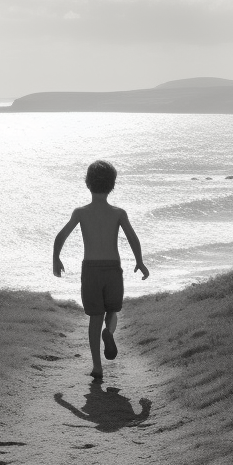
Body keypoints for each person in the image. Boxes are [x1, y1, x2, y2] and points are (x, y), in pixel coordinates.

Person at [53, 160, 149, 379]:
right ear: (112, 185)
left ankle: (97, 367)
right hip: (113, 269)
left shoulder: (80, 212)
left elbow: (61, 236)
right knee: (112, 311)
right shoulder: (118, 213)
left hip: (91, 270)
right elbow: (133, 238)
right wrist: (140, 262)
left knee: (95, 317)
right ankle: (110, 332)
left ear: (88, 184)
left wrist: (56, 259)